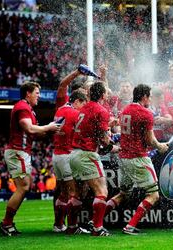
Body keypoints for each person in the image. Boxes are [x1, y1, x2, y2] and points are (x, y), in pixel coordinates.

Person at [104, 84, 169, 235]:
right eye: (150, 96)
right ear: (144, 97)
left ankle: (96, 222)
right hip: (138, 158)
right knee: (154, 195)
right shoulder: (146, 113)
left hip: (124, 159)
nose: (151, 99)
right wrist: (160, 147)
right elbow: (151, 140)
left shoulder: (125, 110)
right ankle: (130, 226)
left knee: (123, 194)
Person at [0, 81, 60, 236]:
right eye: (37, 93)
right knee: (23, 187)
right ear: (28, 93)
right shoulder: (23, 107)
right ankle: (6, 223)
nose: (39, 96)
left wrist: (52, 130)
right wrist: (49, 127)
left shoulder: (28, 109)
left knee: (26, 186)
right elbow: (29, 128)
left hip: (21, 151)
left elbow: (36, 133)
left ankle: (7, 223)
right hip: (18, 151)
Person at [69, 81, 119, 236]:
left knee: (78, 193)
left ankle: (71, 227)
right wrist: (114, 147)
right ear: (103, 94)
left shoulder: (84, 108)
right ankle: (97, 228)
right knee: (101, 192)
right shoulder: (101, 110)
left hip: (74, 153)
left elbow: (91, 126)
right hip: (86, 153)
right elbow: (104, 139)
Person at [51, 90, 87, 233]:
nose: (83, 108)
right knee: (75, 193)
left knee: (63, 193)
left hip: (57, 155)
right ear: (77, 101)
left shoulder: (60, 110)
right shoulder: (74, 113)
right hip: (67, 155)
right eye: (82, 104)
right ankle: (72, 227)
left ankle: (58, 225)